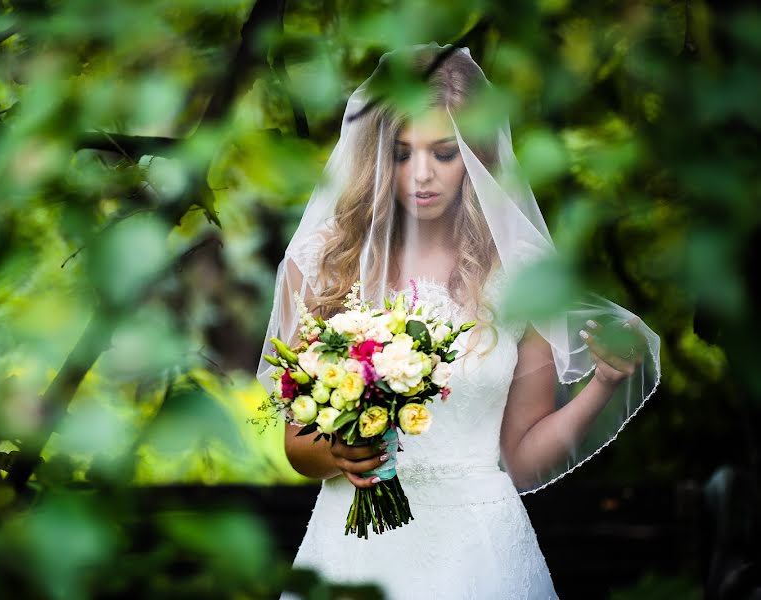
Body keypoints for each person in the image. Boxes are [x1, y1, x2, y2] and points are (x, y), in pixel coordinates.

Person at [256, 43, 661, 599]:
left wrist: (603, 386)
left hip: (479, 553)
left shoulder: (520, 276)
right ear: (377, 154)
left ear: (475, 154)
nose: (421, 175)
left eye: (444, 153)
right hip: (355, 548)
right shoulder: (327, 265)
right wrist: (340, 452)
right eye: (402, 154)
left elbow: (521, 457)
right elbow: (298, 445)